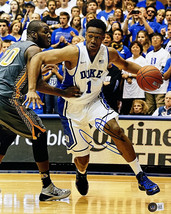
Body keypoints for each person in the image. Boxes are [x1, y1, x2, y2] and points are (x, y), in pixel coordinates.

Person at [26, 19, 160, 197]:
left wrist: (149, 73)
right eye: (90, 36)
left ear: (104, 37)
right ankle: (81, 174)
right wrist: (32, 89)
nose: (93, 40)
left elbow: (126, 65)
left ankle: (141, 176)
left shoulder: (109, 53)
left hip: (95, 102)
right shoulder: (73, 52)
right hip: (71, 108)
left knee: (116, 130)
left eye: (98, 37)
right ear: (85, 35)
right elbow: (38, 57)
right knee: (82, 159)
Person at [0, 20, 81, 201]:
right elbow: (36, 85)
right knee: (40, 133)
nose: (49, 35)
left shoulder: (16, 46)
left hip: (1, 98)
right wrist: (63, 92)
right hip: (8, 98)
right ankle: (47, 187)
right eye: (46, 32)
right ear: (34, 34)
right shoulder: (34, 49)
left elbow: (37, 83)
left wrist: (62, 93)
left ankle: (47, 187)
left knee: (5, 136)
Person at [145, 33, 170, 115]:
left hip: (160, 85)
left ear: (162, 41)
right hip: (149, 86)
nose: (155, 40)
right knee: (149, 109)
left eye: (157, 38)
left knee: (160, 109)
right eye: (153, 38)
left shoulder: (165, 54)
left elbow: (163, 71)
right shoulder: (148, 55)